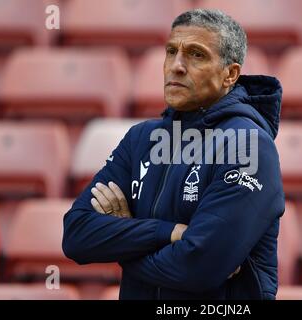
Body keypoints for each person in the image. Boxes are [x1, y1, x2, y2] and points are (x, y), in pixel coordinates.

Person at [62, 8, 285, 300]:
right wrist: (168, 233)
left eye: (196, 55)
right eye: (171, 51)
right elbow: (77, 235)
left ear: (230, 74)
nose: (176, 66)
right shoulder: (142, 138)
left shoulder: (248, 145)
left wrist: (124, 240)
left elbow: (198, 266)